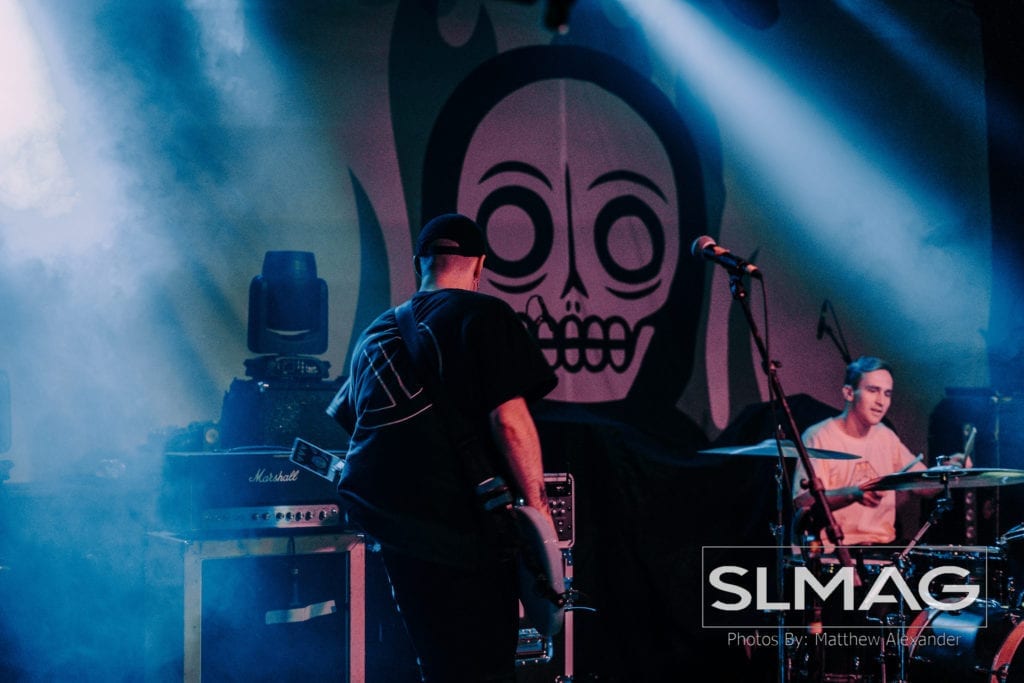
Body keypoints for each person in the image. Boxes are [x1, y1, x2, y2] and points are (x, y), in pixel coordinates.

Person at [327, 213, 558, 682]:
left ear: (419, 264)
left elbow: (355, 428)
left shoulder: (373, 335)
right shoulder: (484, 314)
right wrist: (539, 516)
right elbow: (510, 422)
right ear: (480, 265)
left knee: (437, 667)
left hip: (396, 538)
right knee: (484, 668)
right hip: (461, 537)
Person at [791, 355, 963, 550]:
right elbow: (803, 502)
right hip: (836, 551)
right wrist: (853, 494)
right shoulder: (819, 436)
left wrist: (947, 470)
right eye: (873, 390)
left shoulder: (885, 435)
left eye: (887, 393)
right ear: (849, 393)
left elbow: (923, 487)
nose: (881, 401)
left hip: (882, 549)